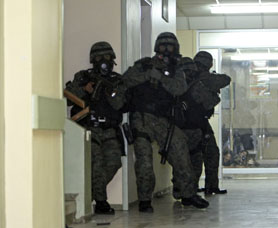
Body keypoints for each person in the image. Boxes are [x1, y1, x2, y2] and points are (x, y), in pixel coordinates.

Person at [122, 32, 209, 212]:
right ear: (157, 48)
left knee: (181, 152)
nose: (167, 50)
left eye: (171, 47)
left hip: (164, 120)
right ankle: (145, 200)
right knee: (144, 161)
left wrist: (162, 77)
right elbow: (127, 80)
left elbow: (179, 89)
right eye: (163, 46)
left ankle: (188, 194)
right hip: (142, 119)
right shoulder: (143, 65)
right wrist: (147, 75)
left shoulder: (177, 70)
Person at [65, 41, 125, 214]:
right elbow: (68, 97)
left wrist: (108, 90)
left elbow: (120, 104)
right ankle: (101, 202)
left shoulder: (117, 80)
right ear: (92, 59)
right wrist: (85, 90)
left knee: (114, 163)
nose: (103, 60)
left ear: (112, 59)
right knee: (96, 163)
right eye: (99, 57)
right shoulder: (83, 77)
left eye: (106, 57)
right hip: (89, 127)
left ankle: (88, 194)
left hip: (109, 129)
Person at [172, 57, 221, 199]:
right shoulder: (196, 86)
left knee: (181, 159)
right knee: (194, 160)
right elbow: (211, 102)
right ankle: (188, 191)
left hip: (179, 128)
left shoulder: (174, 86)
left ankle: (180, 189)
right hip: (194, 127)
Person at [192, 51, 231, 195]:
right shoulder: (204, 78)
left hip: (192, 122)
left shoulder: (189, 76)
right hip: (198, 123)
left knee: (199, 154)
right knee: (208, 154)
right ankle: (207, 187)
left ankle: (194, 188)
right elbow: (226, 79)